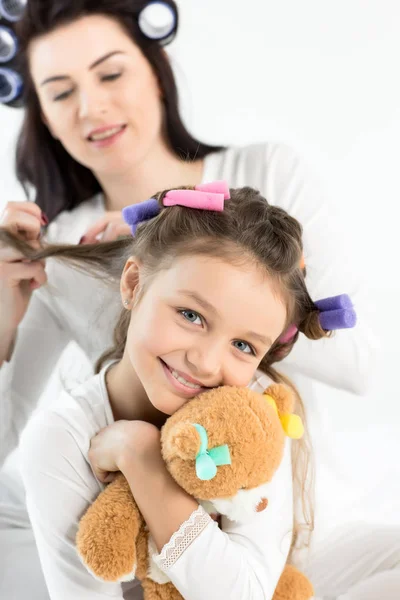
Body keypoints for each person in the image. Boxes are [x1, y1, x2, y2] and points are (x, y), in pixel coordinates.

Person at [0, 0, 377, 598]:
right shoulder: (64, 246)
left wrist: (223, 257)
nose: (92, 107)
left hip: (291, 527)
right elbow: (11, 439)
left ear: (157, 69)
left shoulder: (268, 171)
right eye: (60, 90)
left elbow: (364, 368)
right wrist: (3, 312)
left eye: (111, 72)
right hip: (156, 550)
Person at [9, 183, 339, 599]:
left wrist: (143, 459)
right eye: (191, 315)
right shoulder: (61, 438)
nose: (205, 362)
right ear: (133, 285)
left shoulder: (257, 412)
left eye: (243, 346)